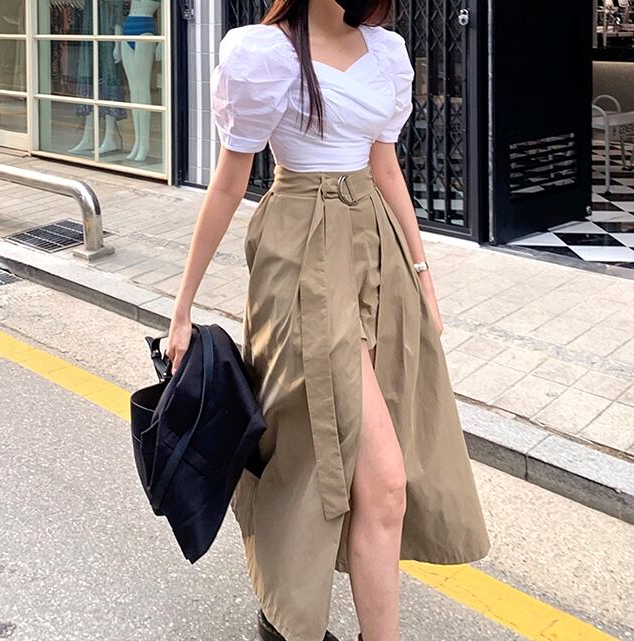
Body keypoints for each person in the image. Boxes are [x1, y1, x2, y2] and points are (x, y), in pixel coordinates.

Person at [166, 1, 491, 640]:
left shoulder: (385, 50)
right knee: (342, 462)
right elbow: (229, 183)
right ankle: (287, 609)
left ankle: (300, 621)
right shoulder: (266, 54)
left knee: (378, 475)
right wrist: (182, 307)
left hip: (376, 251)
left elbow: (384, 166)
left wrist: (423, 273)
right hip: (300, 251)